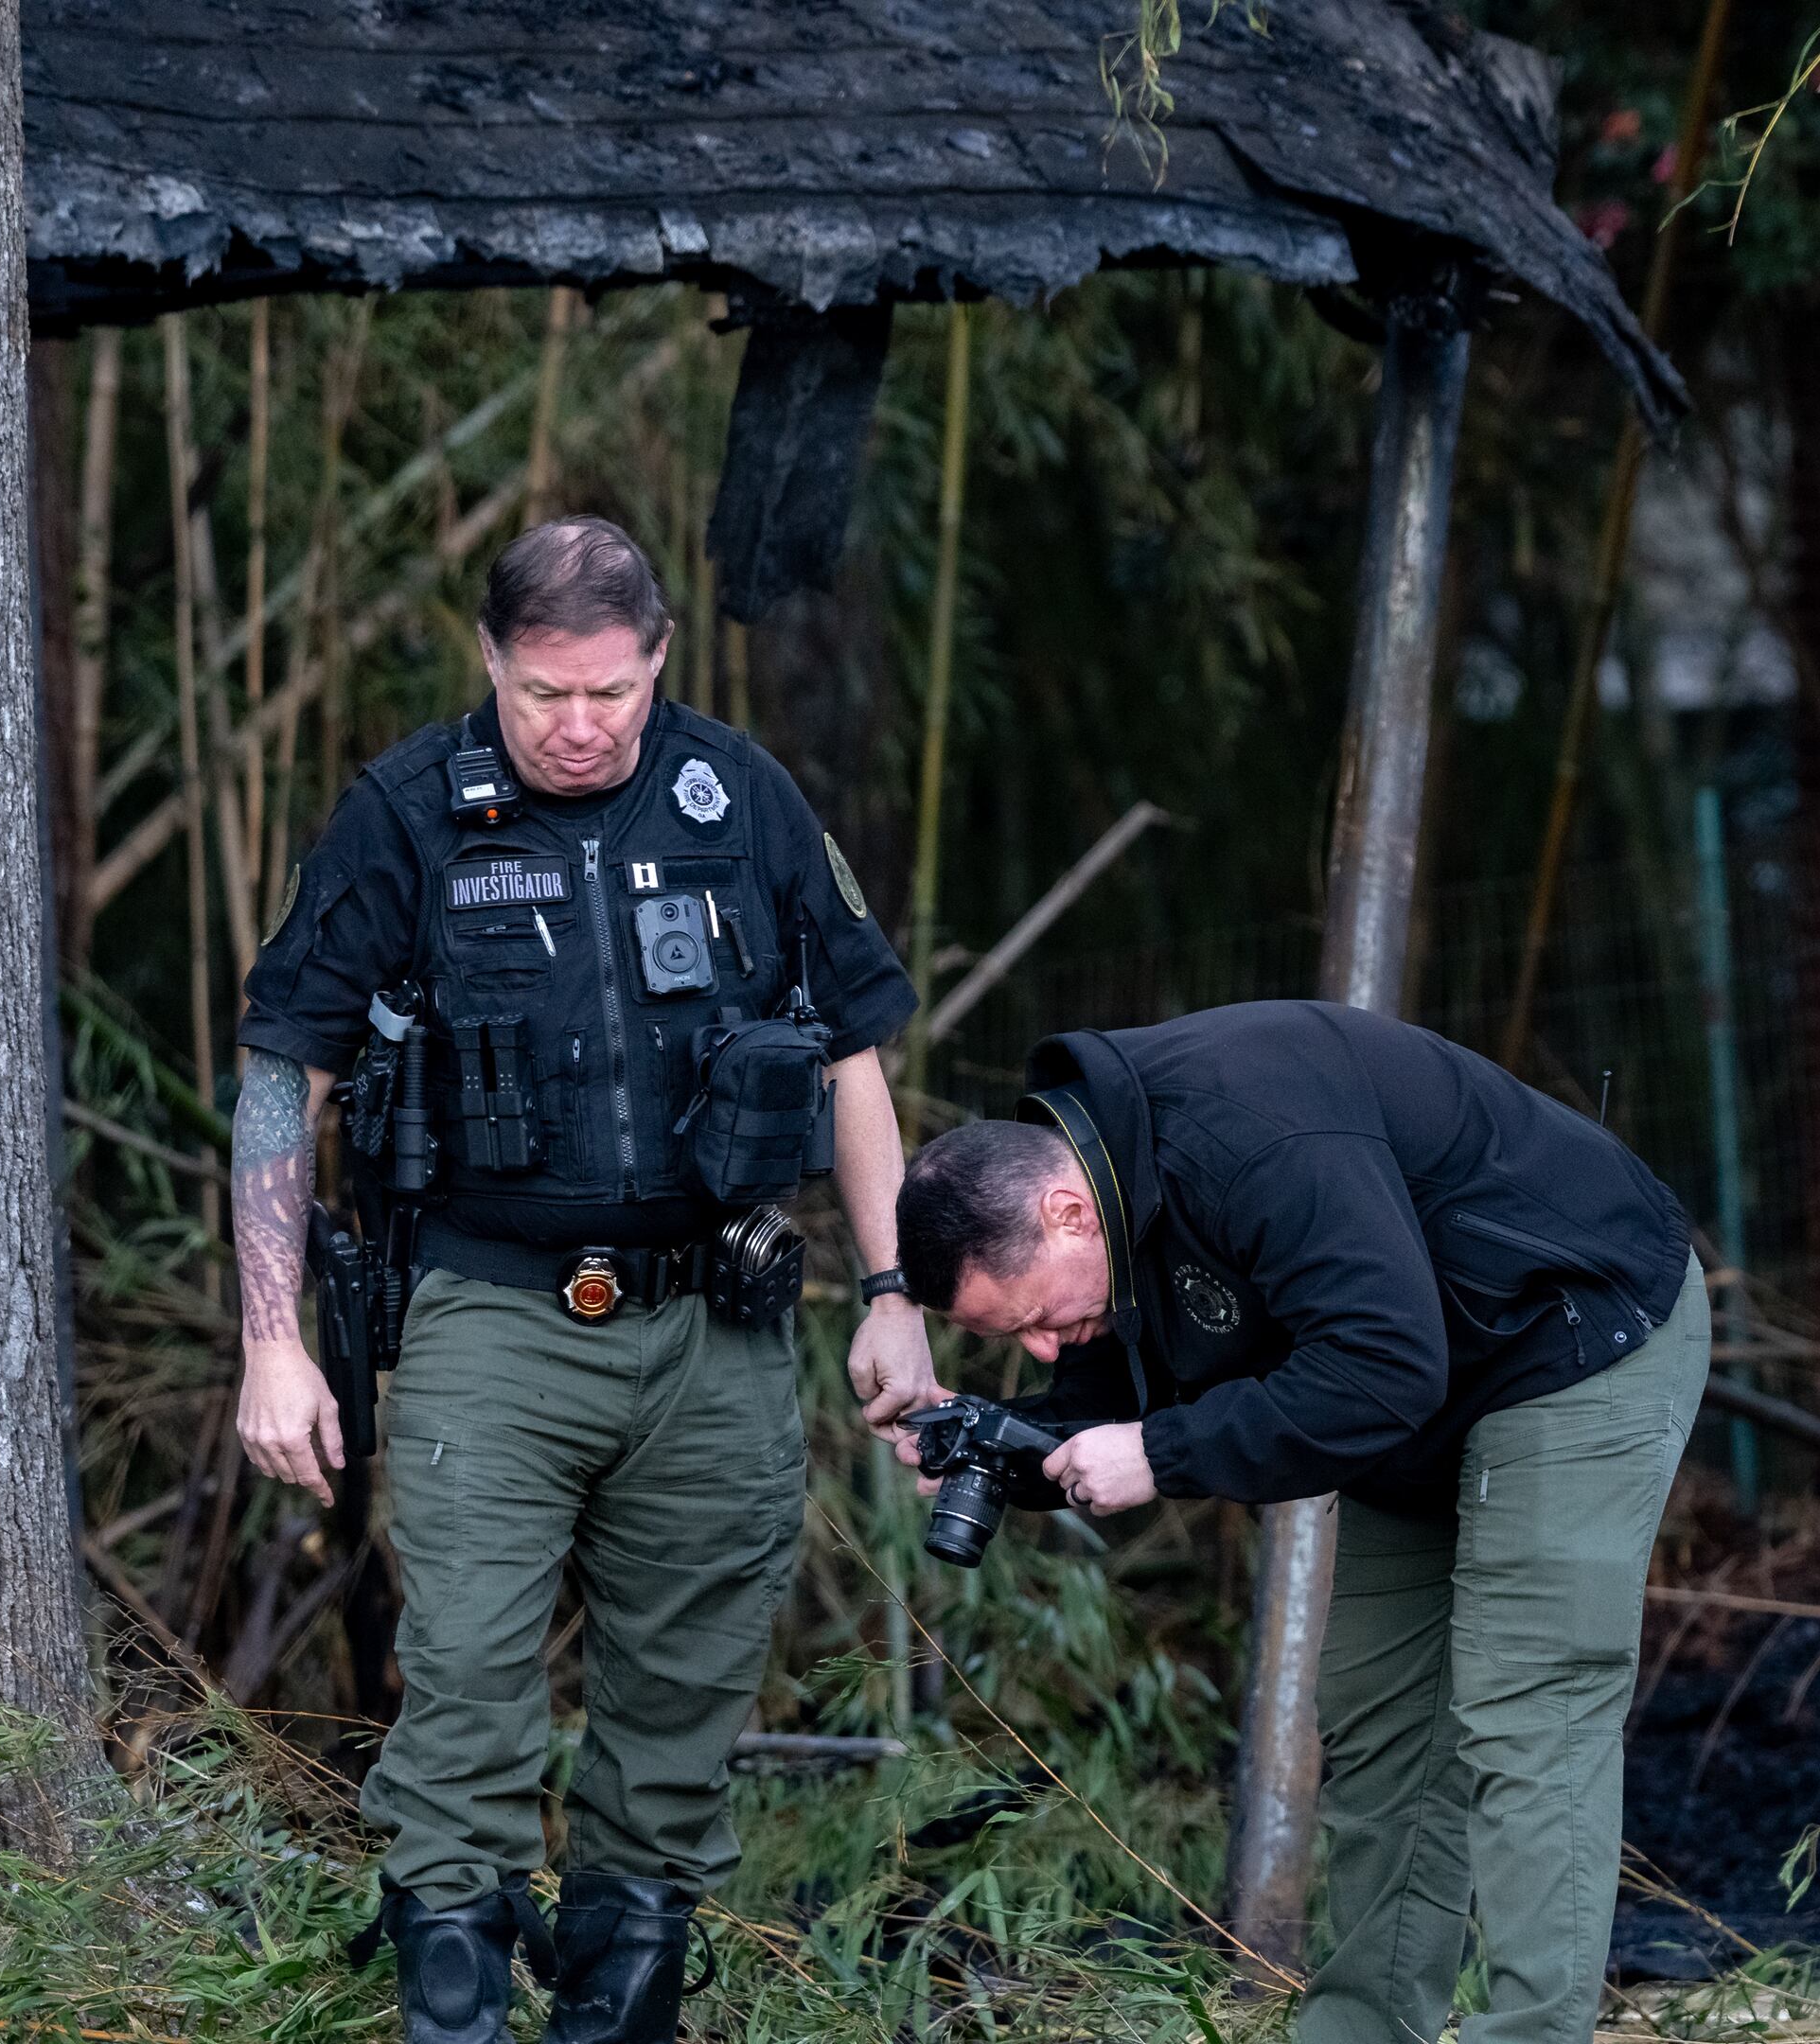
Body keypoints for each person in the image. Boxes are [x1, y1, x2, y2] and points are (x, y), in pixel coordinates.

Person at [229, 517, 938, 2044]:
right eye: (544, 691)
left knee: (682, 1711)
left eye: (610, 693)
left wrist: (895, 1295)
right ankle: (457, 1995)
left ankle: (621, 2003)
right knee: (470, 1676)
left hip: (714, 1322)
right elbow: (283, 1071)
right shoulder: (408, 814)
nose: (577, 725)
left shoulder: (739, 801)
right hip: (490, 1310)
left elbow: (857, 1049)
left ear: (660, 659)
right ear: (490, 660)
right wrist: (268, 1339)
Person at [892, 999, 1705, 2044]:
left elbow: (1380, 1365)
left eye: (1039, 1322)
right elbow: (1113, 1409)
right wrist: (1008, 1450)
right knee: (1381, 1726)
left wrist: (1164, 1454)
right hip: (1420, 1391)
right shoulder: (1115, 1192)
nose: (1046, 1349)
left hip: (1570, 1336)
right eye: (1020, 1342)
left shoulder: (1250, 1136)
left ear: (1064, 1212)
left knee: (1524, 1710)